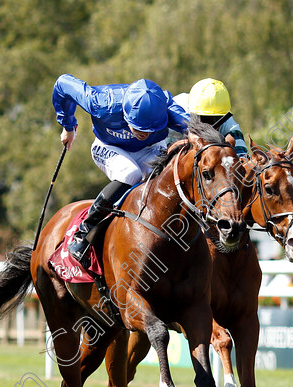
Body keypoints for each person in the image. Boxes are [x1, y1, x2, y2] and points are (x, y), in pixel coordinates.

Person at [52, 74, 190, 262]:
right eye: (139, 128)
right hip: (109, 147)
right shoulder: (101, 102)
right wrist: (67, 125)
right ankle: (83, 233)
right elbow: (62, 84)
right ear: (125, 114)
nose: (143, 134)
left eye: (149, 130)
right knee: (131, 173)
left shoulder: (168, 108)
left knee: (161, 183)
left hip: (150, 149)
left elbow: (197, 129)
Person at [173, 78, 248, 157]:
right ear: (192, 113)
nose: (211, 126)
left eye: (217, 119)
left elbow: (241, 156)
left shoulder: (228, 121)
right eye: (205, 119)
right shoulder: (176, 109)